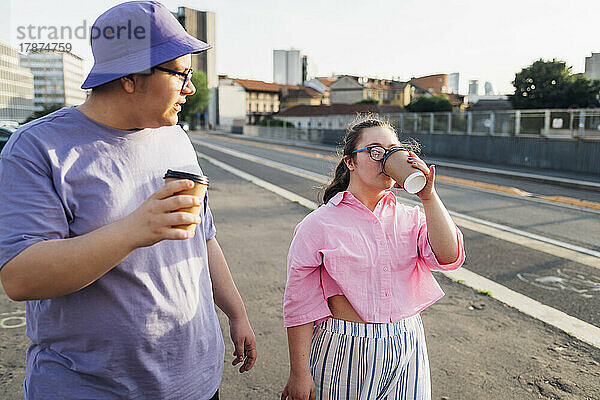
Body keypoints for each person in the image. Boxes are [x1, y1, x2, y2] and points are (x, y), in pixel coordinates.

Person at [0, 2, 256, 399]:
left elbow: (203, 238)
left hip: (197, 382)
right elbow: (20, 277)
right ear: (132, 78)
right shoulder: (36, 148)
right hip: (92, 388)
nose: (190, 87)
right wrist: (134, 230)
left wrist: (236, 313)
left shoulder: (175, 136)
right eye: (182, 73)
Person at [281, 116, 465, 400]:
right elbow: (300, 304)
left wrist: (429, 197)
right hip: (345, 345)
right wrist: (299, 373)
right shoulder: (318, 225)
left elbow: (449, 256)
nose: (385, 159)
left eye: (393, 150)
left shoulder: (411, 218)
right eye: (375, 151)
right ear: (350, 162)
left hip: (407, 342)